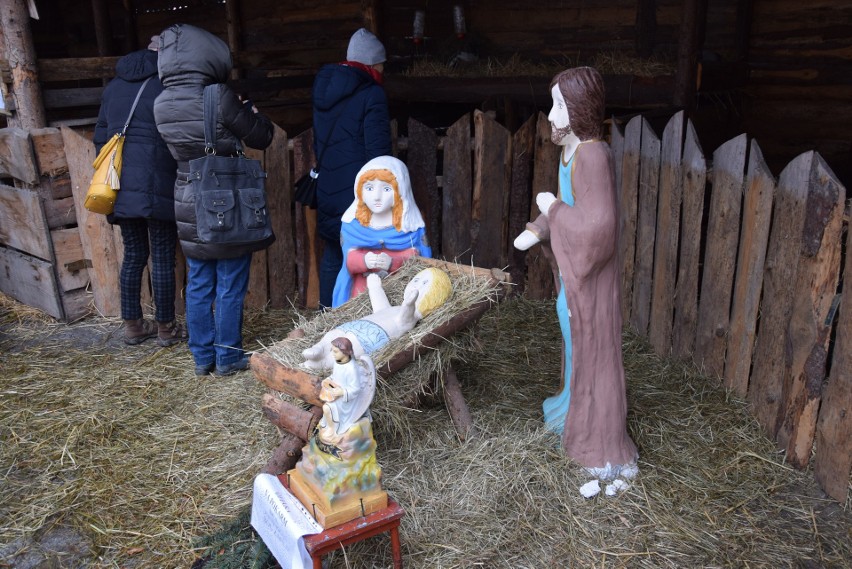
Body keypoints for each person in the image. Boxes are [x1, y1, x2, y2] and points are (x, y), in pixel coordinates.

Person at [514, 67, 639, 488]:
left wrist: (553, 211)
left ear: (580, 110)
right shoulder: (571, 152)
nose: (550, 116)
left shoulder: (593, 156)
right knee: (574, 342)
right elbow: (567, 210)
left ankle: (599, 443)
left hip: (592, 285)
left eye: (559, 106)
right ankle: (571, 408)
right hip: (573, 283)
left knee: (593, 351)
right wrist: (540, 227)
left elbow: (598, 231)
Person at [153, 24, 274, 377]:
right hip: (225, 197)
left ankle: (201, 357)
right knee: (230, 281)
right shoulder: (217, 95)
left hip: (187, 194)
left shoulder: (160, 103)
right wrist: (251, 112)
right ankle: (227, 356)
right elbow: (262, 136)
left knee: (199, 280)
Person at [94, 38, 186, 347]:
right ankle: (165, 328)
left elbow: (100, 138)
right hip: (157, 182)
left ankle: (133, 325)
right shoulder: (166, 86)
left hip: (117, 184)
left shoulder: (113, 88)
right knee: (161, 257)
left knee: (133, 254)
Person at [312, 28, 392, 308]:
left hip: (328, 187)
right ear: (371, 64)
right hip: (360, 193)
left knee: (334, 253)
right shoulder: (372, 94)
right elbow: (379, 153)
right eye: (381, 64)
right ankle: (358, 319)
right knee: (365, 257)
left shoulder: (324, 90)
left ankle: (324, 317)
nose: (383, 69)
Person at [302, 267, 452, 370]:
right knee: (334, 335)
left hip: (373, 336)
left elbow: (405, 321)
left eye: (425, 284)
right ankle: (319, 348)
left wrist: (410, 304)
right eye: (417, 280)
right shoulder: (396, 308)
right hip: (360, 325)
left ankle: (322, 363)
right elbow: (381, 309)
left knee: (348, 350)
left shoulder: (412, 316)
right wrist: (375, 288)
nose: (416, 285)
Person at [332, 156, 432, 307]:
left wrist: (393, 261)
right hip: (361, 294)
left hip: (399, 292)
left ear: (400, 191)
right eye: (369, 188)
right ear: (360, 191)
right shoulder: (352, 226)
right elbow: (348, 260)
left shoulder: (410, 227)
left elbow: (422, 260)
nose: (376, 197)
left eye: (386, 189)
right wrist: (364, 261)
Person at [318, 337, 376, 445]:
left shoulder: (351, 368)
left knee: (327, 407)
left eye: (335, 351)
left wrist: (342, 392)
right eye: (332, 351)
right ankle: (331, 428)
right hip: (338, 395)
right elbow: (335, 377)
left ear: (345, 352)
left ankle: (334, 430)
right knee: (326, 406)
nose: (333, 354)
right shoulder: (337, 363)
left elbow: (356, 388)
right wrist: (329, 379)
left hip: (348, 401)